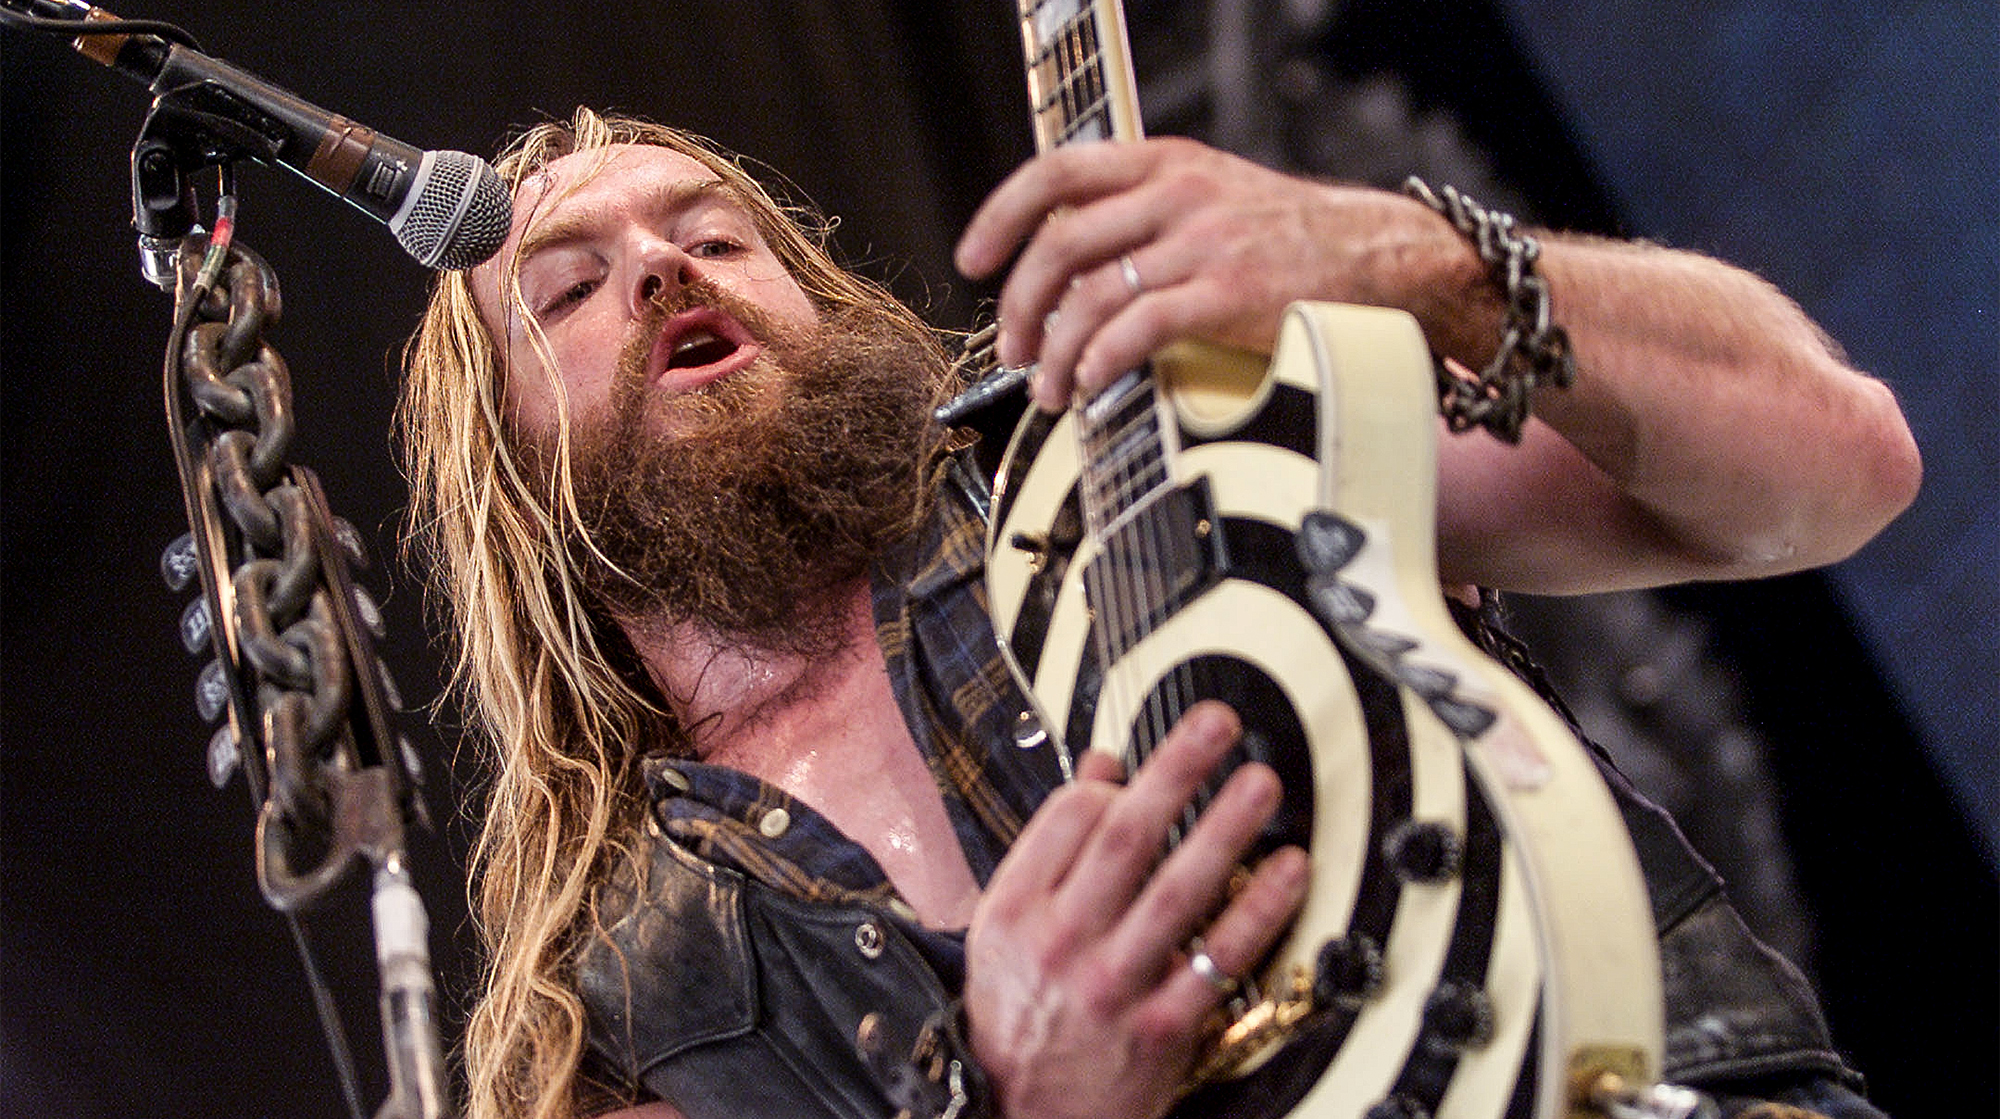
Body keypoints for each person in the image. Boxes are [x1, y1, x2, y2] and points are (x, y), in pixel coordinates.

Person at [397, 108, 1919, 1119]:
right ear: (502, 468)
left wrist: (1416, 260)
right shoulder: (613, 1011)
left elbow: (1837, 466)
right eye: (571, 289)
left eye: (717, 235)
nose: (664, 264)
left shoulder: (1162, 430)